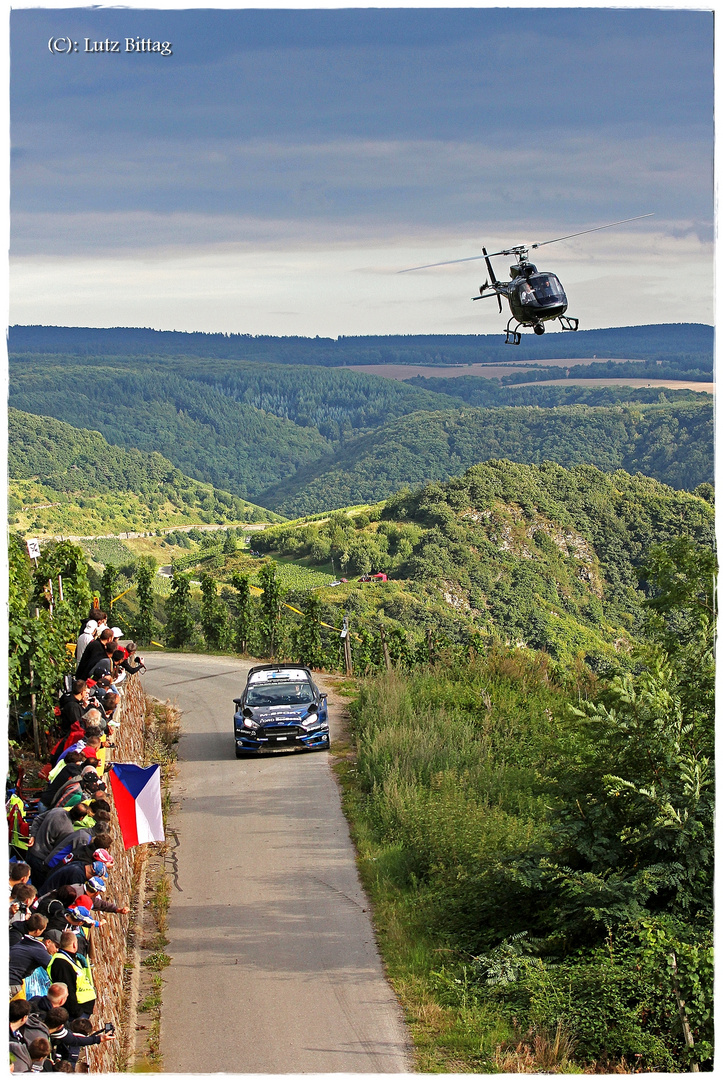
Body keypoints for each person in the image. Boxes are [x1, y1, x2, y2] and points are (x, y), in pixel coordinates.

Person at [45, 934, 96, 1019]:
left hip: (81, 1009)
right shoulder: (62, 963)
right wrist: (77, 1012)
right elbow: (68, 989)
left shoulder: (67, 959)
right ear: (74, 944)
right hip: (76, 1012)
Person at [9, 915, 54, 998]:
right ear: (37, 931)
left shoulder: (21, 939)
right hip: (13, 983)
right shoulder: (37, 948)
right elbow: (53, 968)